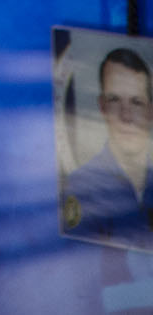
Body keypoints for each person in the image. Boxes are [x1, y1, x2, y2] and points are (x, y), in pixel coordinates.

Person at [63, 49, 153, 248]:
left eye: (136, 102)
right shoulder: (82, 186)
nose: (126, 116)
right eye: (114, 100)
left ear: (150, 111)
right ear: (102, 106)